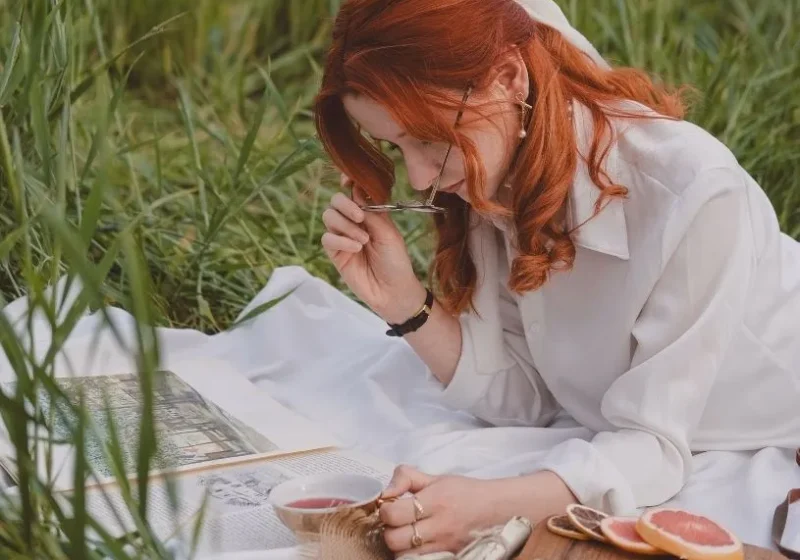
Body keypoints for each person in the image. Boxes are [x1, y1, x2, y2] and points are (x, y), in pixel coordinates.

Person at [313, 0, 800, 556]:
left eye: (429, 138)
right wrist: (405, 305)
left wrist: (489, 505)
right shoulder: (500, 170)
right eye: (396, 147)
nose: (421, 177)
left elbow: (655, 447)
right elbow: (535, 395)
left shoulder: (691, 190)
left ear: (508, 78)